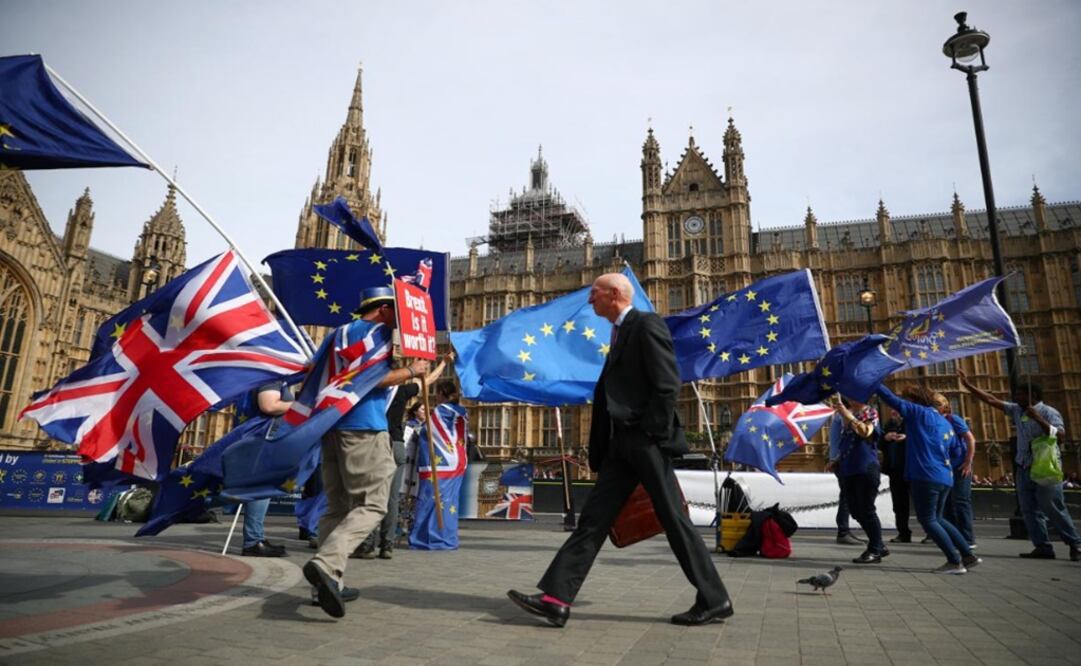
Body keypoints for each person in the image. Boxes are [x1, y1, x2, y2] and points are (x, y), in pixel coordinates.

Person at [507, 273, 731, 627]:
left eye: (594, 294)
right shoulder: (619, 332)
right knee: (592, 522)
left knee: (674, 519)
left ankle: (714, 598)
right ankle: (556, 598)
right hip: (620, 447)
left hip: (643, 441)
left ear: (614, 294)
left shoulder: (646, 324)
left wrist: (648, 432)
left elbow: (667, 383)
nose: (590, 300)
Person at [303, 286, 430, 618]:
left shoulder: (337, 334)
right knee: (373, 504)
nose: (399, 320)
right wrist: (413, 372)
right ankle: (326, 563)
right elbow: (373, 378)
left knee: (337, 507)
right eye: (397, 312)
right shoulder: (377, 334)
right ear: (384, 309)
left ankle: (326, 584)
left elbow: (312, 372)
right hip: (362, 426)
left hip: (330, 425)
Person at [959, 371, 1080, 561]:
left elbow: (1061, 437)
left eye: (1020, 395)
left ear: (1034, 396)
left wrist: (1038, 418)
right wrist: (968, 386)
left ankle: (1075, 544)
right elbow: (992, 400)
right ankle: (1042, 547)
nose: (1016, 397)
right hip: (1024, 467)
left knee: (1053, 507)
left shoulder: (1049, 412)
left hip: (1046, 467)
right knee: (1029, 510)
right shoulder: (1017, 410)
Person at [355, 353, 452, 560]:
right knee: (391, 498)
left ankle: (367, 544)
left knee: (372, 496)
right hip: (397, 445)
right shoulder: (401, 391)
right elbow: (429, 380)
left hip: (376, 443)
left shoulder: (369, 390)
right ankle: (387, 544)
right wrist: (444, 362)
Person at [876, 383, 980, 574]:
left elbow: (891, 399)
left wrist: (873, 382)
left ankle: (954, 561)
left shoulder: (918, 412)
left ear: (914, 401)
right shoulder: (943, 422)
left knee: (928, 520)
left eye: (907, 400)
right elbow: (953, 448)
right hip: (945, 476)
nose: (904, 404)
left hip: (925, 475)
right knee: (938, 518)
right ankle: (968, 555)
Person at [236, 380, 294, 557]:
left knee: (263, 489)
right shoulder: (272, 379)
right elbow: (269, 405)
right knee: (261, 488)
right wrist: (300, 405)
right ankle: (253, 541)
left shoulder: (276, 378)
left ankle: (255, 538)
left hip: (264, 437)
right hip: (263, 438)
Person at [830, 397, 886, 564]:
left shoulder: (870, 413)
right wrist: (836, 460)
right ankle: (878, 544)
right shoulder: (848, 415)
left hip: (865, 468)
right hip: (849, 469)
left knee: (867, 509)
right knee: (855, 510)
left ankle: (875, 549)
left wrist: (846, 414)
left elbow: (865, 432)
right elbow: (847, 443)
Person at [934, 394, 977, 548]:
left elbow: (970, 439)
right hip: (943, 468)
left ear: (945, 406)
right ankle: (954, 537)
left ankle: (967, 539)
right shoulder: (933, 421)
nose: (934, 407)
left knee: (961, 501)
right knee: (944, 505)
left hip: (960, 467)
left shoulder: (953, 419)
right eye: (932, 404)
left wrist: (967, 462)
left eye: (937, 404)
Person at [826, 412, 863, 546]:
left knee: (847, 496)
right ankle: (843, 531)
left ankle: (844, 530)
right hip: (842, 461)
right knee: (847, 497)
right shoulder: (844, 416)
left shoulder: (840, 415)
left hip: (840, 460)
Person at [880, 408, 912, 543]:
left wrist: (907, 437)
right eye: (893, 411)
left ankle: (931, 533)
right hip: (895, 470)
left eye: (897, 412)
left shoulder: (911, 425)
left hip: (912, 468)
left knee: (923, 503)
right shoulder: (888, 426)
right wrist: (885, 438)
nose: (894, 414)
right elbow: (878, 444)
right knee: (899, 504)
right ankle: (903, 533)